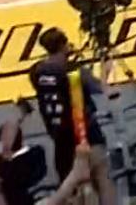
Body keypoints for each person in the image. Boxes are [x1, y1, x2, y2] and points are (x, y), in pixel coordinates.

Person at [26, 27, 105, 182]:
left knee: (68, 183)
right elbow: (101, 88)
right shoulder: (74, 71)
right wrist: (104, 69)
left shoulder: (36, 71)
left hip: (59, 134)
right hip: (83, 132)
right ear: (64, 46)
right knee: (101, 177)